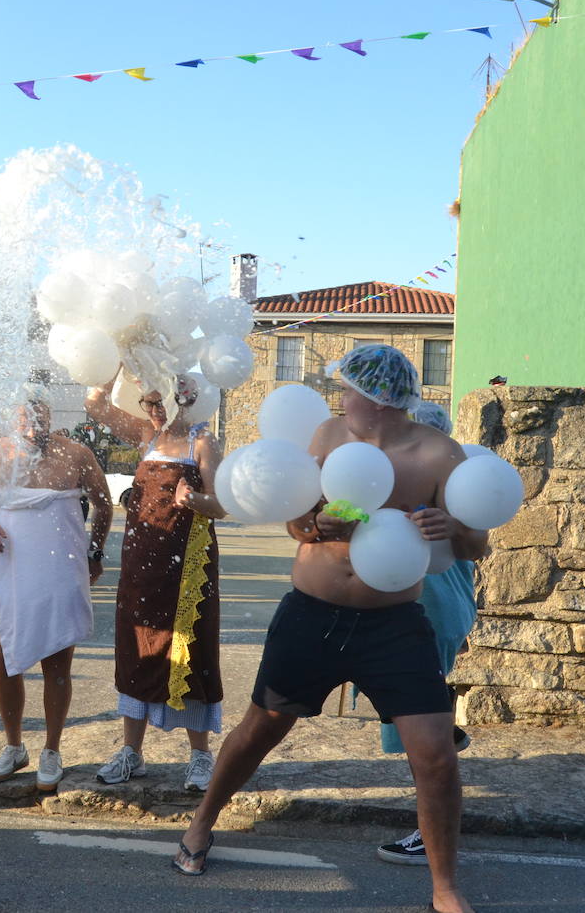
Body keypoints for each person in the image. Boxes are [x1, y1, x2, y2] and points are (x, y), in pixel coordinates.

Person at [171, 345, 487, 913]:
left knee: (437, 755)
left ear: (378, 400)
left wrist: (451, 527)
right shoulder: (328, 436)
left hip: (394, 625)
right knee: (260, 728)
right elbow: (296, 523)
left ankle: (445, 889)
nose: (340, 399)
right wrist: (318, 523)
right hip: (313, 614)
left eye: (348, 390)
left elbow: (475, 544)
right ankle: (200, 825)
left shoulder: (439, 453)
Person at [84, 373, 225, 791]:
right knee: (137, 649)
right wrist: (113, 362)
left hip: (188, 567)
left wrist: (192, 499)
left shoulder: (203, 441)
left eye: (162, 401)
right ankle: (132, 752)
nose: (155, 410)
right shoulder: (146, 434)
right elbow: (95, 405)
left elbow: (222, 504)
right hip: (141, 565)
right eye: (149, 402)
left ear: (186, 399)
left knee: (191, 649)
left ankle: (200, 756)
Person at [0, 399, 111, 791]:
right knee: (4, 657)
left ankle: (52, 748)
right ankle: (14, 745)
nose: (34, 425)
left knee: (57, 660)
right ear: (13, 415)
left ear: (50, 415)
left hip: (60, 566)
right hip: (11, 567)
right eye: (26, 416)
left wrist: (95, 553)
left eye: (40, 416)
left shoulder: (76, 453)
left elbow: (103, 504)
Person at [373, 401, 482, 866]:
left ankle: (429, 831)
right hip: (431, 611)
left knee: (421, 733)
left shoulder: (442, 485)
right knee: (415, 720)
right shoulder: (441, 480)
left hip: (430, 613)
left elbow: (475, 545)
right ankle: (445, 737)